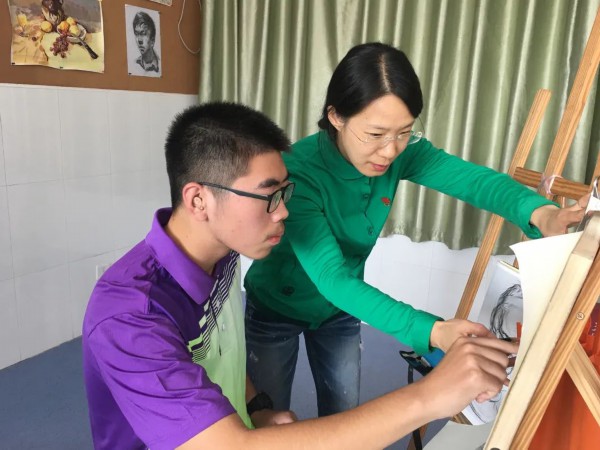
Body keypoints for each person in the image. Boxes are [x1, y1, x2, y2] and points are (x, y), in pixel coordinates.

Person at [83, 101, 517, 450]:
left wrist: (258, 406)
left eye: (285, 192)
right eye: (269, 197)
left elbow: (221, 348)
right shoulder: (130, 317)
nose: (284, 213)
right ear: (199, 200)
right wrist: (431, 395)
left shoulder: (223, 252)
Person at [244, 42, 587, 417]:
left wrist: (539, 212)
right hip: (276, 307)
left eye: (404, 132)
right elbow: (332, 278)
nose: (390, 151)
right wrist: (434, 331)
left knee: (344, 413)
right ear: (336, 117)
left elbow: (472, 181)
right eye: (375, 134)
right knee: (269, 418)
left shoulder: (399, 152)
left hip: (339, 310)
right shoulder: (298, 172)